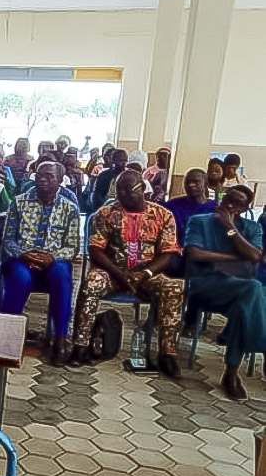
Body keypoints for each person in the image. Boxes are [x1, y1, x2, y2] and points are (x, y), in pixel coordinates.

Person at [70, 170, 183, 376]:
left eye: (128, 190)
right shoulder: (106, 213)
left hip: (148, 275)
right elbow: (95, 250)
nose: (122, 194)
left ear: (143, 189)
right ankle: (81, 346)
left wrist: (145, 273)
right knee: (91, 282)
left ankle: (167, 354)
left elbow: (167, 253)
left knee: (174, 288)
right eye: (119, 190)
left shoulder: (163, 215)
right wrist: (119, 273)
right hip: (111, 272)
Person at [185, 185, 265, 399]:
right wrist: (236, 258)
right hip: (205, 284)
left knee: (243, 306)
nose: (229, 205)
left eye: (237, 203)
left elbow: (255, 256)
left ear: (245, 208)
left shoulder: (251, 227)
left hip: (240, 291)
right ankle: (260, 346)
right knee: (255, 288)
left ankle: (231, 372)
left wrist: (230, 227)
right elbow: (195, 254)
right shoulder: (199, 221)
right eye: (227, 199)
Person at [0, 162, 80, 364]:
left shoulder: (69, 208)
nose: (43, 180)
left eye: (49, 176)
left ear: (60, 180)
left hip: (54, 261)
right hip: (21, 260)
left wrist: (51, 257)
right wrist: (25, 254)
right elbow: (8, 240)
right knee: (21, 277)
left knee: (61, 274)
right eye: (40, 176)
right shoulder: (19, 203)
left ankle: (60, 339)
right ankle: (8, 333)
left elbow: (72, 246)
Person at [164, 169, 217, 246]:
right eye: (187, 182)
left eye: (196, 182)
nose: (191, 185)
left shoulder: (215, 207)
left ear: (206, 183)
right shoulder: (172, 205)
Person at [91, 148, 127, 212]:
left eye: (125, 160)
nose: (124, 163)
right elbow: (99, 195)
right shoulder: (104, 176)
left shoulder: (129, 176)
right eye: (120, 160)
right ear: (114, 160)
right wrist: (106, 207)